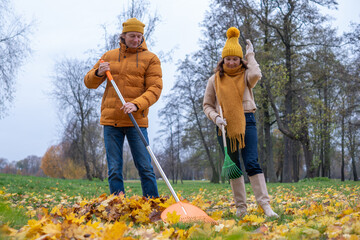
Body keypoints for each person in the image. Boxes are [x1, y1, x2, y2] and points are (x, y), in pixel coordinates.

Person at [203, 27, 279, 218]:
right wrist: (216, 118)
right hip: (224, 125)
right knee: (234, 166)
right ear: (223, 60)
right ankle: (241, 208)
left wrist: (250, 55)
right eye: (227, 59)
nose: (230, 62)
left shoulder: (246, 76)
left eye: (235, 59)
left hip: (248, 121)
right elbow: (207, 105)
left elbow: (256, 75)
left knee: (252, 162)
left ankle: (265, 206)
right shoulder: (214, 80)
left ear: (240, 60)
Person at [84, 18, 162, 198]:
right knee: (114, 169)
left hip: (137, 120)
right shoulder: (109, 57)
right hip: (112, 120)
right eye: (132, 36)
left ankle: (152, 204)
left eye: (139, 36)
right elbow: (89, 83)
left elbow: (155, 89)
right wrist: (98, 73)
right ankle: (117, 206)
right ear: (123, 36)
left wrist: (136, 104)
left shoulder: (151, 59)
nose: (136, 40)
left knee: (145, 167)